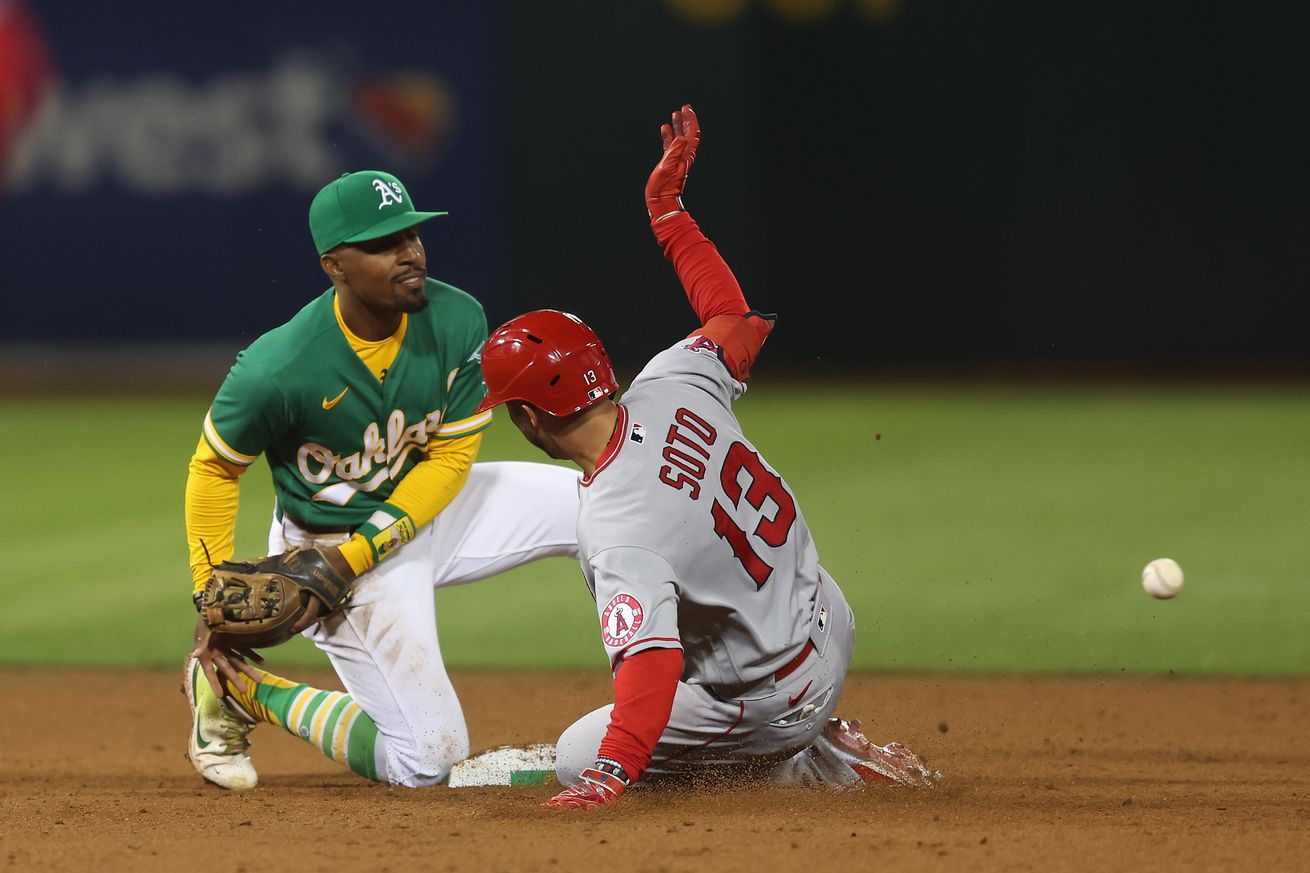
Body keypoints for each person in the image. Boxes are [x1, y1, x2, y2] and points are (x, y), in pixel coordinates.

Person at [475, 105, 941, 809]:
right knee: (708, 605)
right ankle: (808, 733)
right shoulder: (674, 378)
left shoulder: (617, 523)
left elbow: (651, 663)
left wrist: (610, 775)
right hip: (827, 620)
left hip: (777, 697)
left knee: (578, 751)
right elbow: (731, 318)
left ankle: (812, 760)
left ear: (529, 415)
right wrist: (668, 212)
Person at [183, 169, 580, 790]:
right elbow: (214, 469)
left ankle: (696, 701)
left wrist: (368, 545)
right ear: (334, 265)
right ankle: (248, 694)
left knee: (605, 504)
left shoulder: (458, 320)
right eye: (382, 244)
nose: (409, 253)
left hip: (426, 510)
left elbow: (449, 462)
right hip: (328, 552)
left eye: (412, 235)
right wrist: (211, 596)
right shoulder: (278, 369)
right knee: (429, 760)